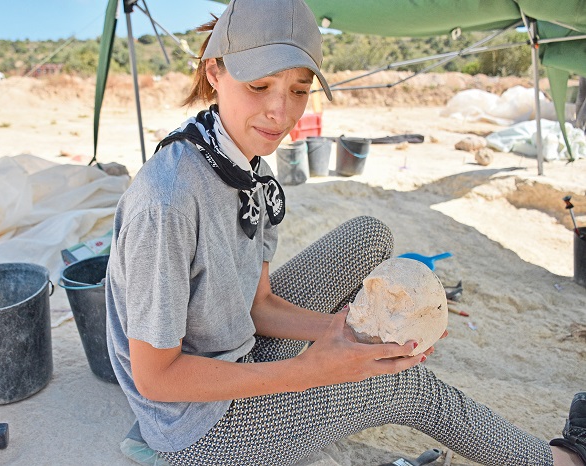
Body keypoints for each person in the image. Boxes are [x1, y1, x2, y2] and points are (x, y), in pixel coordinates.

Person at [105, 0, 586, 464]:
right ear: (216, 72)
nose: (281, 112)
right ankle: (560, 461)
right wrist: (308, 371)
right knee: (406, 388)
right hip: (195, 429)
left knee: (369, 236)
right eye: (259, 85)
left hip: (236, 349)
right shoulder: (167, 199)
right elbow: (156, 378)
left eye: (298, 89)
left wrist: (336, 330)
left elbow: (259, 305)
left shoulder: (248, 167)